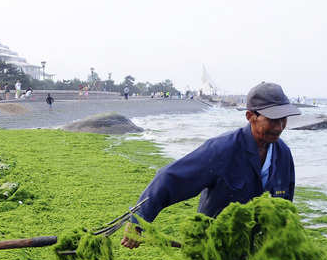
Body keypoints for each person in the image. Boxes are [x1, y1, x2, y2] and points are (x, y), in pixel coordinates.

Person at [122, 81, 301, 249]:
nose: (279, 127)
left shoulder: (283, 154)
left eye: (283, 119)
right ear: (250, 116)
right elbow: (170, 178)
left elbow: (285, 207)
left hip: (258, 251)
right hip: (214, 248)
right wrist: (138, 221)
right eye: (272, 120)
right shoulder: (222, 150)